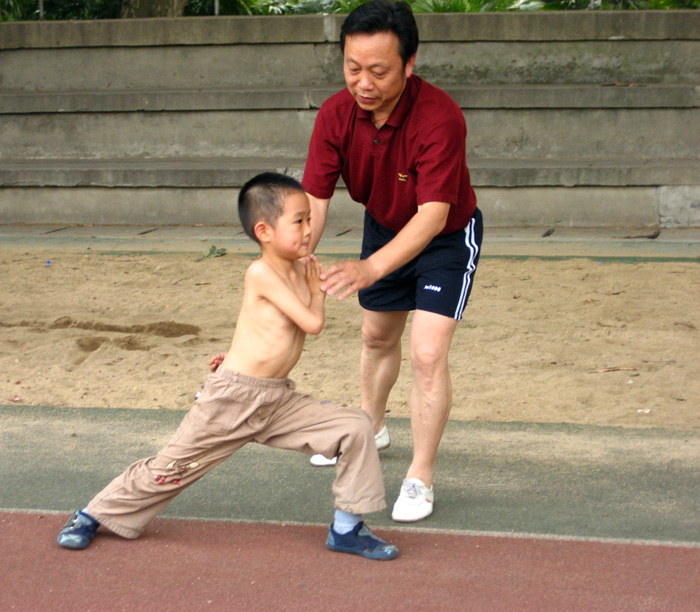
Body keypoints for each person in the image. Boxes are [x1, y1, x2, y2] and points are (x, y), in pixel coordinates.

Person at [56, 172, 398, 561]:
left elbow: (260, 329)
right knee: (169, 469)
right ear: (264, 231)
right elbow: (312, 325)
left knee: (354, 426)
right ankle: (90, 515)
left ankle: (346, 529)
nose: (309, 228)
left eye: (310, 218)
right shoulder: (261, 272)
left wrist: (233, 352)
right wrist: (319, 291)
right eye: (298, 220)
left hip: (276, 399)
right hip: (232, 398)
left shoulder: (299, 268)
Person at [303, 0, 483, 523]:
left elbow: (431, 217)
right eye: (352, 68)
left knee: (427, 353)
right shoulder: (336, 114)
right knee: (377, 337)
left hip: (445, 238)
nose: (363, 82)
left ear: (409, 64)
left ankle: (419, 476)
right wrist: (297, 252)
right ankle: (370, 427)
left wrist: (369, 268)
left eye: (378, 71)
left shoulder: (440, 117)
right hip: (384, 226)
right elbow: (315, 198)